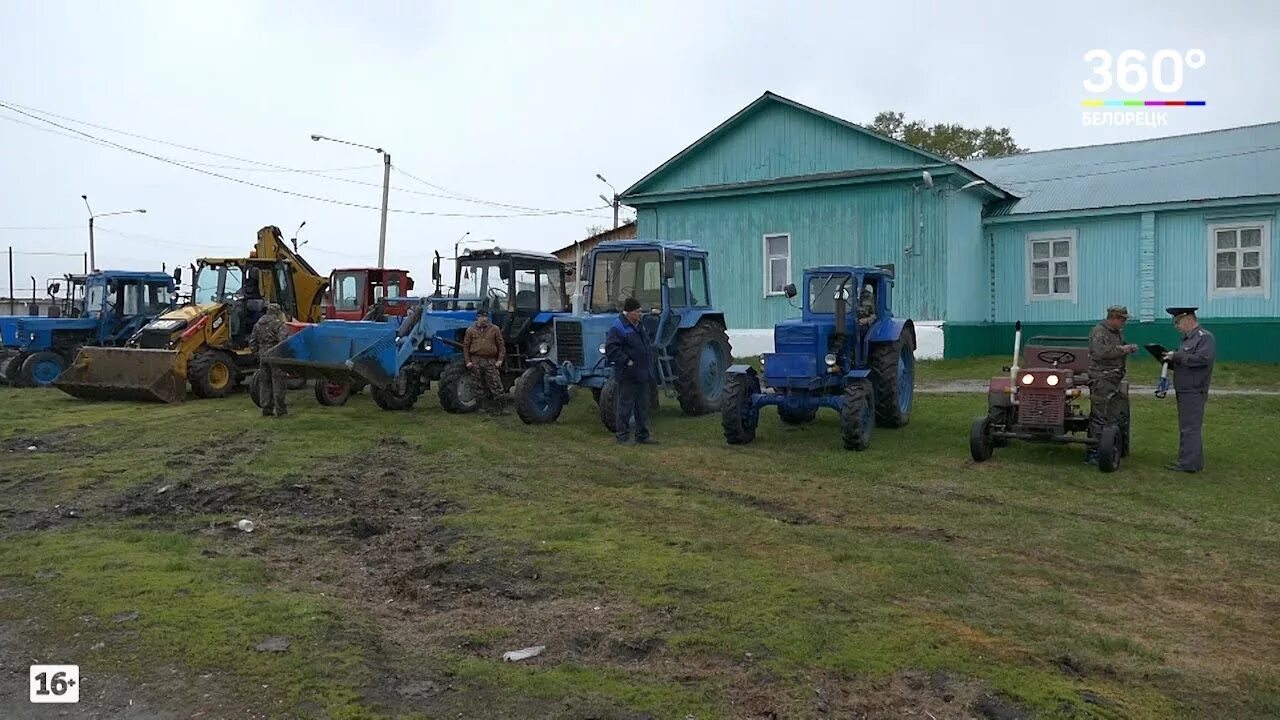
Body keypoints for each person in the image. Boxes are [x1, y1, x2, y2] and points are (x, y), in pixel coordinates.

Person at [1163, 307, 1215, 472]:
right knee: (1188, 426)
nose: (1176, 326)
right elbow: (1187, 362)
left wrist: (1177, 356)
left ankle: (1188, 463)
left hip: (1194, 389)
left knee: (1190, 428)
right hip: (1185, 388)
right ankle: (1194, 461)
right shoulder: (1188, 340)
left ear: (1188, 320)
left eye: (1177, 322)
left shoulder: (1204, 338)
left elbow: (1202, 360)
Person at [1085, 305, 1139, 464]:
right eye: (1122, 319)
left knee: (1112, 415)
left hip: (1114, 378)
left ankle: (1109, 446)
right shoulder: (1099, 332)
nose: (1124, 323)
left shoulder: (1117, 333)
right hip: (1102, 378)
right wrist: (1124, 349)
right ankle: (1093, 451)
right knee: (1100, 415)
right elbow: (1101, 353)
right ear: (1114, 318)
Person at [605, 297, 656, 445]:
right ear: (629, 312)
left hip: (642, 373)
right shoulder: (618, 327)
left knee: (642, 406)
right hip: (627, 374)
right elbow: (611, 349)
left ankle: (642, 435)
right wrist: (627, 361)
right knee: (625, 407)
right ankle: (622, 437)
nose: (640, 314)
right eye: (637, 312)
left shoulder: (639, 326)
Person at [248, 302, 290, 417]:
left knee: (265, 383)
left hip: (263, 356)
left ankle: (266, 409)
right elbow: (283, 341)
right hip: (275, 356)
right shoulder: (278, 324)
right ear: (277, 312)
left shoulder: (258, 323)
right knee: (278, 383)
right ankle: (280, 411)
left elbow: (252, 342)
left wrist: (257, 353)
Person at [463, 308, 507, 414]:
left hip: (490, 360)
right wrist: (468, 361)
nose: (483, 319)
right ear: (477, 318)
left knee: (495, 383)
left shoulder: (494, 329)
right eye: (481, 317)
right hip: (476, 360)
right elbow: (466, 347)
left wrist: (500, 360)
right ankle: (481, 407)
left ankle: (501, 407)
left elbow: (501, 345)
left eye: (485, 317)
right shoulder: (470, 330)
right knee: (478, 384)